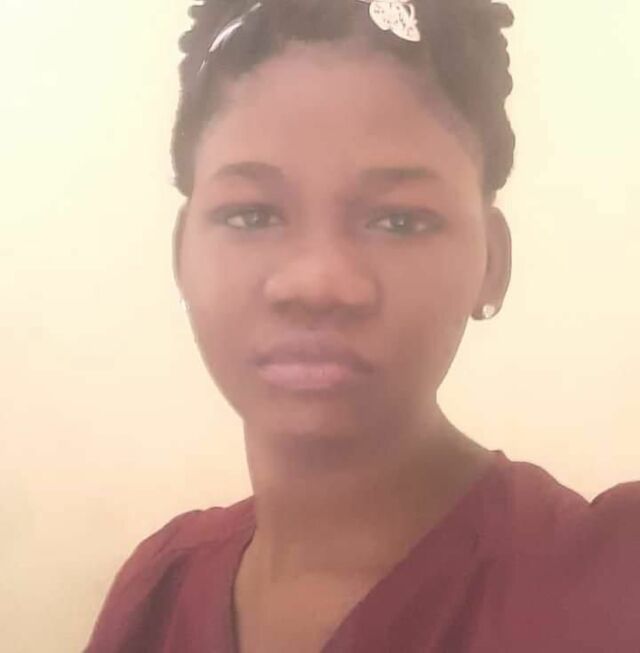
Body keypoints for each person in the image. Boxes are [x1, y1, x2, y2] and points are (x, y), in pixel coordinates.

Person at [86, 1, 640, 651]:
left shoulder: (607, 581)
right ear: (182, 251)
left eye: (399, 220)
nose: (317, 281)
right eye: (251, 215)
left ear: (492, 261)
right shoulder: (156, 591)